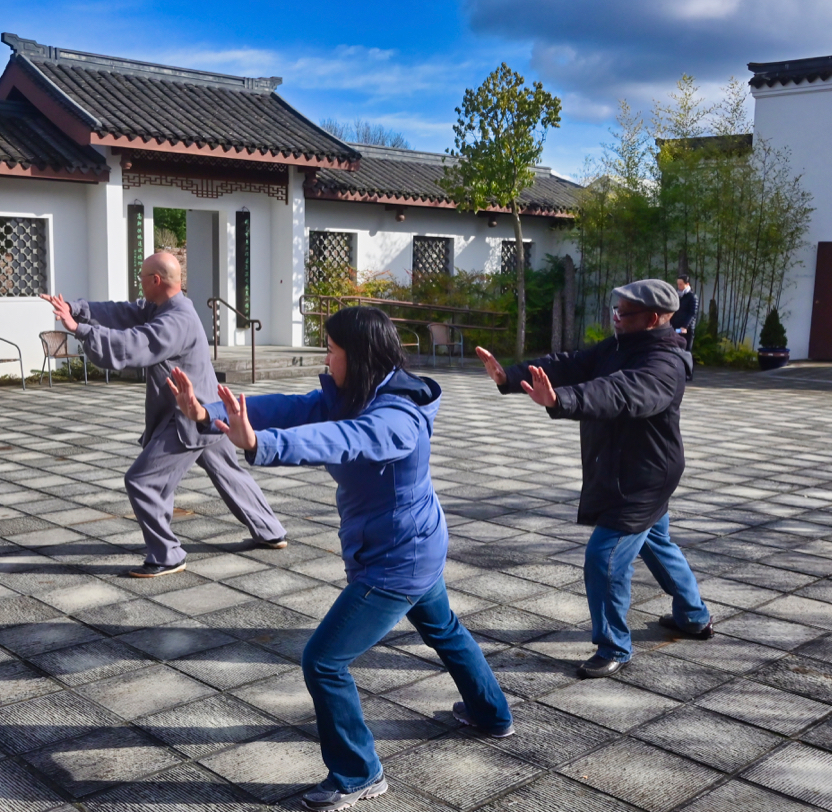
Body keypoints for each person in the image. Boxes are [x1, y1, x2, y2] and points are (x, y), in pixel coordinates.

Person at [169, 306, 512, 812]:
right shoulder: (353, 393)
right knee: (445, 630)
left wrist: (262, 445)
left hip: (397, 559)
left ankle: (358, 773)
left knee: (324, 661)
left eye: (331, 350)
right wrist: (207, 414)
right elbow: (291, 409)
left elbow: (347, 438)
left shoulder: (397, 416)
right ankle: (491, 714)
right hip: (411, 544)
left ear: (360, 354)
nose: (324, 359)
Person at [474, 279, 713, 680]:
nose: (616, 318)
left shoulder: (664, 363)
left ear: (653, 318)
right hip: (630, 468)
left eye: (625, 313)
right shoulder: (621, 345)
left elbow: (620, 392)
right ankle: (693, 617)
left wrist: (561, 401)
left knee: (603, 558)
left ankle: (614, 644)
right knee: (657, 543)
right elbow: (571, 363)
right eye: (614, 310)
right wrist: (510, 377)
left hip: (643, 477)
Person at [39, 252, 286, 577]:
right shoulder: (166, 307)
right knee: (229, 471)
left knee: (143, 482)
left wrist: (83, 331)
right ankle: (271, 531)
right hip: (209, 409)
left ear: (156, 280)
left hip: (191, 418)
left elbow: (138, 343)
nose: (139, 285)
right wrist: (77, 310)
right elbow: (124, 313)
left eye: (142, 278)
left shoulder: (176, 320)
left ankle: (167, 555)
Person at [671, 273, 699, 351]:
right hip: (676, 327)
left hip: (686, 329)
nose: (679, 286)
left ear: (687, 284)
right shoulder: (677, 295)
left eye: (681, 284)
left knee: (686, 351)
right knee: (675, 349)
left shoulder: (692, 297)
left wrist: (685, 326)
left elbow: (692, 313)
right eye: (678, 284)